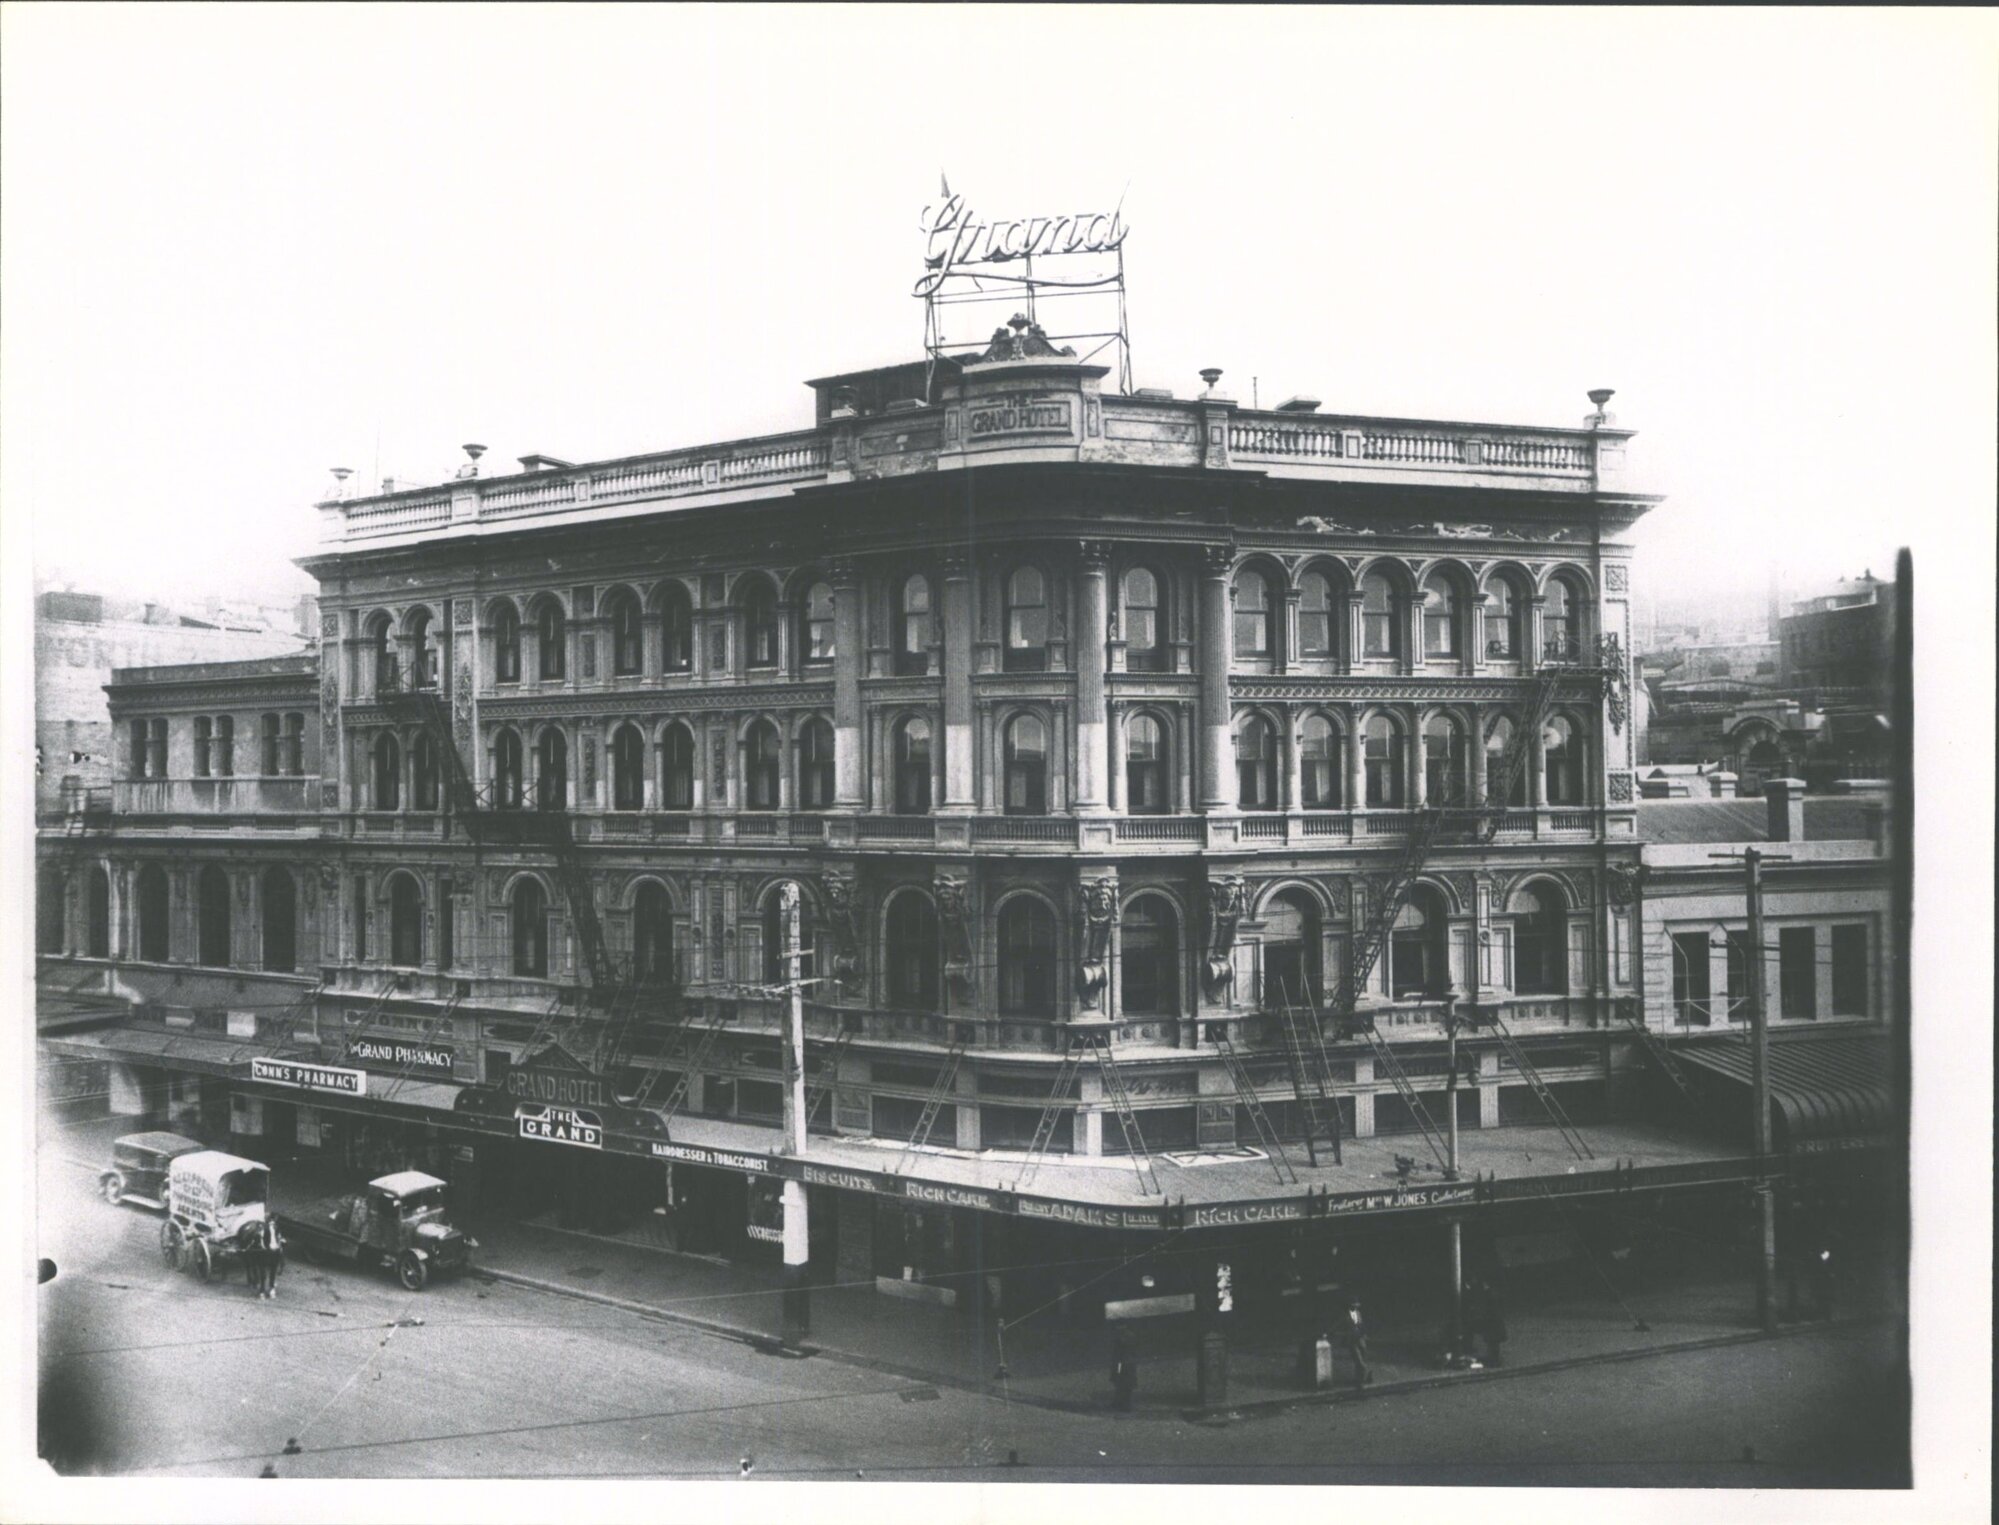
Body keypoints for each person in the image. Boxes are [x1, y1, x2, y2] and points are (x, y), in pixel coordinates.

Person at [1343, 1295, 1372, 1389]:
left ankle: (1359, 1379)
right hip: (1352, 1341)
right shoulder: (1345, 1315)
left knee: (1362, 1360)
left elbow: (1361, 1325)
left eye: (1356, 1305)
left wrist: (1364, 1335)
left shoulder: (1358, 1313)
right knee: (1360, 1363)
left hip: (1360, 1339)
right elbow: (1341, 1326)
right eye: (1353, 1305)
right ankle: (1361, 1382)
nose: (1354, 1306)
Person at [1478, 1277, 1507, 1366]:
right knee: (1494, 1343)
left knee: (1493, 1343)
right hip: (1494, 1323)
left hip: (1492, 1323)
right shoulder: (1492, 1293)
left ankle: (1494, 1361)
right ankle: (1494, 1359)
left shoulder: (1489, 1294)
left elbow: (1488, 1309)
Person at [1109, 1327, 1137, 1412]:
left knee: (1122, 1381)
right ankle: (1122, 1403)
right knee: (1123, 1382)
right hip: (1126, 1362)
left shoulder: (1121, 1337)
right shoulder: (1129, 1335)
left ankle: (1123, 1404)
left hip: (1123, 1363)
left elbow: (1119, 1349)